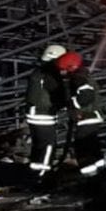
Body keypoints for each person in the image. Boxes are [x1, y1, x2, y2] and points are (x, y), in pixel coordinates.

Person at [57, 51, 106, 175]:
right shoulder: (83, 75)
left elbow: (86, 97)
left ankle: (89, 173)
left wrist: (72, 105)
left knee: (82, 146)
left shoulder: (78, 78)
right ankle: (99, 172)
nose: (63, 73)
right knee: (92, 144)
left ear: (70, 67)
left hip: (87, 117)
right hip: (92, 116)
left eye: (64, 69)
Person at [25, 45, 69, 180]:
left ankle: (34, 173)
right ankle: (42, 175)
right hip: (43, 115)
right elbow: (56, 93)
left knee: (38, 146)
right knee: (48, 146)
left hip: (34, 113)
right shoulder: (50, 74)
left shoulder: (38, 72)